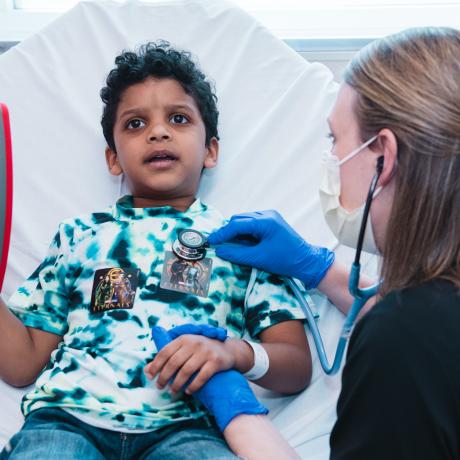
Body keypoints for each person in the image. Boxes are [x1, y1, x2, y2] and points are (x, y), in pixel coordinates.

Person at [0, 42, 310, 459]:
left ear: (210, 150)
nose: (158, 132)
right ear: (114, 159)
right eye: (134, 124)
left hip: (188, 425)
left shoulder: (241, 241)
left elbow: (296, 365)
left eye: (178, 119)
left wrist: (233, 353)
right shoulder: (79, 236)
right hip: (68, 419)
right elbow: (22, 364)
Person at [207, 27, 460, 459]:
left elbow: (415, 335)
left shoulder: (401, 338)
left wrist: (238, 409)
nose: (332, 160)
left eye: (334, 140)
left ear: (384, 154)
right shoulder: (422, 322)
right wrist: (316, 266)